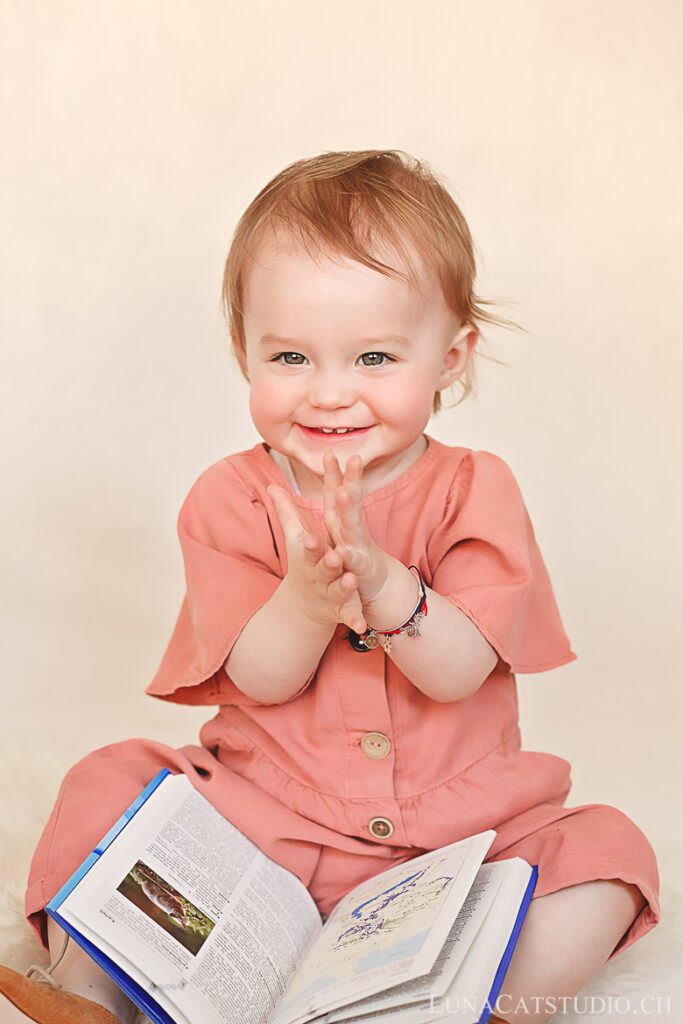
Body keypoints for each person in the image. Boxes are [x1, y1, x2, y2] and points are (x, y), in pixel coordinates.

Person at [1, 150, 659, 1024]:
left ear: (450, 358)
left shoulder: (474, 489)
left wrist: (385, 585)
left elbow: (458, 670)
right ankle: (89, 994)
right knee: (110, 781)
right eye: (291, 357)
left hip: (460, 836)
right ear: (244, 351)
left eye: (374, 357)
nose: (329, 393)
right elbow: (261, 676)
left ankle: (494, 1007)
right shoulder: (230, 498)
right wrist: (306, 601)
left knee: (608, 851)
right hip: (260, 824)